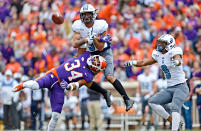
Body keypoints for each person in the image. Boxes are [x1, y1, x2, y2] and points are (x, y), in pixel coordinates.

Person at [12, 51, 110, 131]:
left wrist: (68, 87)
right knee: (35, 85)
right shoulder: (85, 55)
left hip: (60, 87)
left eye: (96, 62)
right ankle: (22, 85)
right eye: (95, 59)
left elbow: (77, 84)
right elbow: (88, 44)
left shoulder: (88, 75)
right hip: (53, 75)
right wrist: (98, 40)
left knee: (56, 115)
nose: (94, 60)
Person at [72, 3, 134, 111]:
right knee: (85, 79)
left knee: (109, 76)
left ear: (93, 15)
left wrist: (95, 39)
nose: (86, 17)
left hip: (104, 51)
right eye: (84, 14)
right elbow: (75, 44)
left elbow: (100, 47)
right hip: (91, 53)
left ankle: (127, 99)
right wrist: (86, 39)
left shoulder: (100, 25)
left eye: (88, 14)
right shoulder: (78, 25)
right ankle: (104, 92)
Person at [124, 34, 189, 131]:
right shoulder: (158, 54)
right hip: (170, 87)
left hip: (181, 86)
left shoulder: (175, 51)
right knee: (152, 102)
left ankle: (175, 129)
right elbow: (144, 62)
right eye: (160, 42)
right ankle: (172, 121)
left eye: (163, 43)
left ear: (170, 44)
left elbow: (178, 59)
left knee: (174, 107)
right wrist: (132, 62)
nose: (160, 45)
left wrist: (176, 62)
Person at [137, 67, 157, 131]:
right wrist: (137, 95)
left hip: (150, 96)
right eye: (146, 69)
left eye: (148, 69)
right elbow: (139, 87)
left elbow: (155, 88)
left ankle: (152, 125)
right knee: (142, 111)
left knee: (150, 112)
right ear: (144, 70)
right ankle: (143, 125)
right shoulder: (140, 77)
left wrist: (150, 94)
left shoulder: (152, 77)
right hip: (143, 95)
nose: (147, 71)